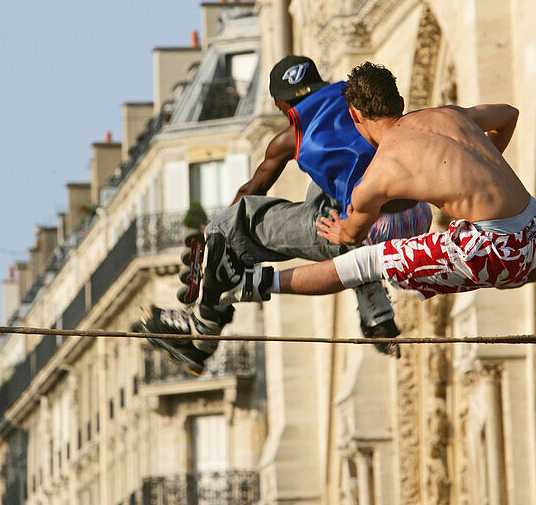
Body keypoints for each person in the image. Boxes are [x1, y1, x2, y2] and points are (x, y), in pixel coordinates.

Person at [201, 62, 536, 308]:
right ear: (401, 101)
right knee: (500, 262)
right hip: (535, 226)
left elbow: (348, 237)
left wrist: (338, 229)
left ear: (356, 115)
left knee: (365, 262)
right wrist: (486, 163)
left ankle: (247, 284)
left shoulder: (381, 173)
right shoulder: (448, 115)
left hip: (498, 246)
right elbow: (508, 116)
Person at [137, 56, 432, 372]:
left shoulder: (289, 139)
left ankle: (203, 329)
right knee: (329, 184)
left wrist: (214, 235)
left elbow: (252, 191)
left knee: (235, 221)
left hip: (361, 230)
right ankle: (376, 313)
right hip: (415, 217)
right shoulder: (356, 102)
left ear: (282, 104)